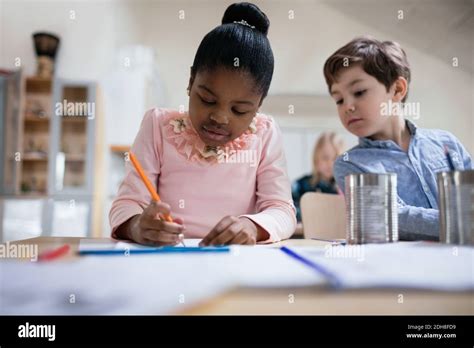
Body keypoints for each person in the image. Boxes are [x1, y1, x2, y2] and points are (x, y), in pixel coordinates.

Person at [109, 2, 296, 246]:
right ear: (191, 81)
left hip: (235, 265)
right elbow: (126, 204)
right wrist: (136, 226)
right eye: (207, 99)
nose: (219, 117)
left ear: (258, 105)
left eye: (239, 110)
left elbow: (282, 210)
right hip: (167, 261)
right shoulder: (158, 126)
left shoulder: (265, 133)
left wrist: (252, 226)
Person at [323, 36, 472, 240]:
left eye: (359, 92)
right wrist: (462, 222)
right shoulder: (350, 164)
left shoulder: (447, 143)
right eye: (339, 99)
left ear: (397, 90)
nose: (347, 106)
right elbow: (390, 217)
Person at [292, 132, 344, 222]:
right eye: (325, 158)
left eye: (335, 158)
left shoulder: (344, 188)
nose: (330, 164)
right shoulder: (300, 185)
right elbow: (291, 211)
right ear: (316, 159)